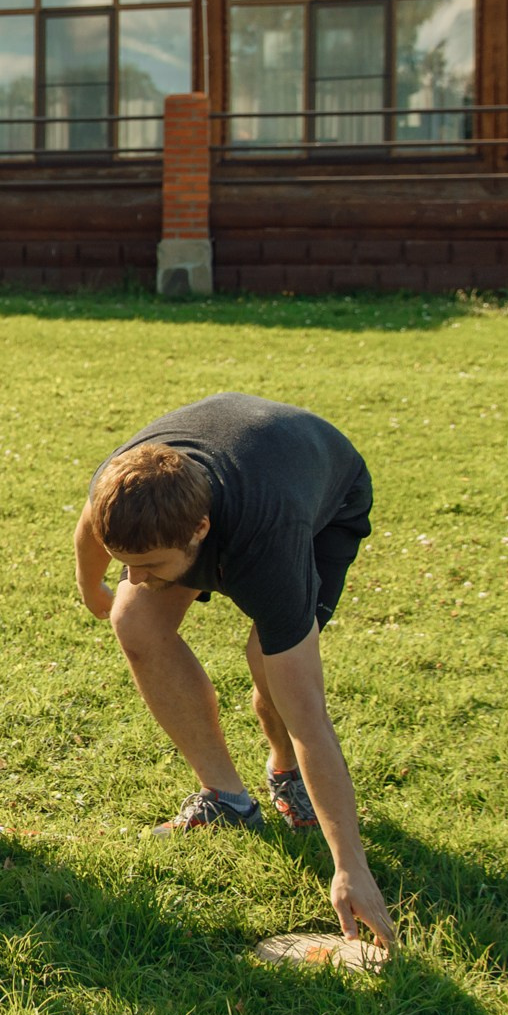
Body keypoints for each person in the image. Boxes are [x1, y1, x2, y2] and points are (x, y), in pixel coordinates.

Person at [72, 392, 399, 950]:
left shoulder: (268, 543)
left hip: (320, 492)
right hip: (235, 465)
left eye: (148, 565)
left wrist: (350, 866)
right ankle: (227, 800)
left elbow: (311, 720)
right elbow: (90, 528)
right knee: (134, 618)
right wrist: (91, 588)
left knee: (272, 668)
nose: (135, 575)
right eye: (126, 562)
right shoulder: (118, 486)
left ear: (200, 530)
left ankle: (287, 774)